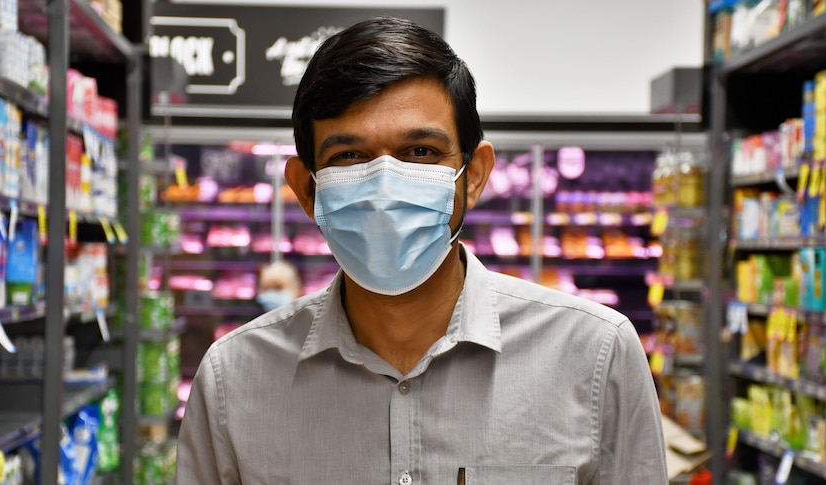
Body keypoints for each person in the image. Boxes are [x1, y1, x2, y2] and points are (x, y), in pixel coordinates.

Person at [177, 16, 667, 484]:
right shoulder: (231, 381)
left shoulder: (596, 357)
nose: (385, 185)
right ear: (307, 189)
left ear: (473, 176)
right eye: (349, 156)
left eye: (421, 153)